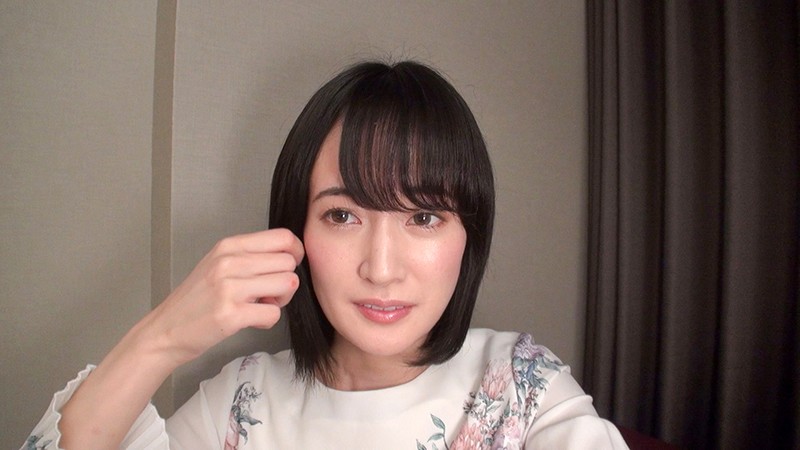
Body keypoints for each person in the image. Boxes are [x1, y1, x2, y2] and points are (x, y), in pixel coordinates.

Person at [24, 60, 627, 449]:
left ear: (469, 235)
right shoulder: (238, 404)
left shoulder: (521, 389)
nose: (381, 269)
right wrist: (162, 338)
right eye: (343, 216)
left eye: (423, 217)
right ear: (296, 233)